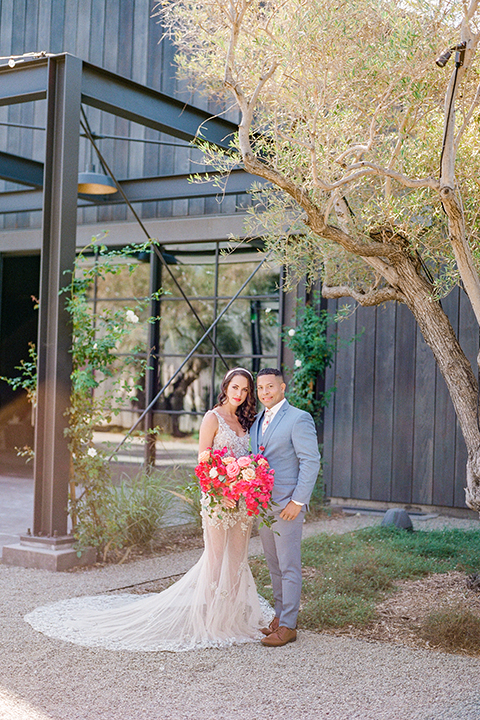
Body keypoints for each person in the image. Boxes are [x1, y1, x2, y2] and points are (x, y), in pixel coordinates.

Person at [24, 367, 272, 652]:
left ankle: (233, 615)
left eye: (244, 390)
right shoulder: (211, 418)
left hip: (243, 503)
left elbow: (248, 460)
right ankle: (209, 619)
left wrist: (246, 487)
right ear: (226, 386)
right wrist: (222, 493)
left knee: (238, 558)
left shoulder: (246, 420)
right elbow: (203, 464)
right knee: (215, 559)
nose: (239, 394)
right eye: (235, 388)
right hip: (218, 499)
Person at [251, 368, 320, 647]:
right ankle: (279, 617)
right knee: (274, 565)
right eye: (260, 388)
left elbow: (310, 461)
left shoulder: (299, 418)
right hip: (263, 505)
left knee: (290, 565)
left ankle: (290, 625)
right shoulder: (257, 421)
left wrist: (297, 501)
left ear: (282, 388)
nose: (264, 392)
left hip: (287, 505)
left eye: (270, 387)